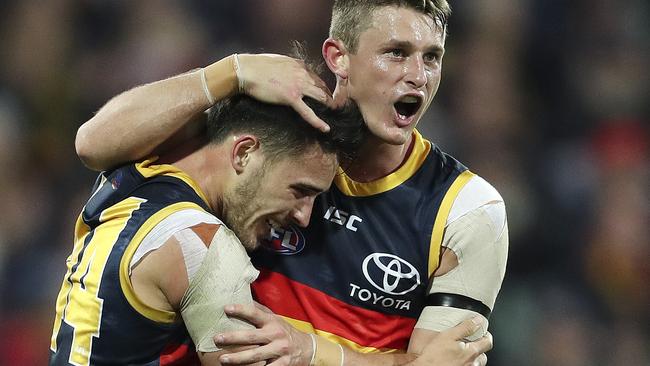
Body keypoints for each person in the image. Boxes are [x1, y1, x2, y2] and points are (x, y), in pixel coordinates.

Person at [74, 1, 506, 365]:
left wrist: (314, 352)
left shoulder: (466, 210)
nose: (418, 75)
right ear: (338, 56)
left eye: (432, 57)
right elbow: (94, 142)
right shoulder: (273, 126)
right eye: (396, 52)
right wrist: (228, 73)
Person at [49, 95, 368, 365]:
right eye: (300, 190)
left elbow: (95, 137)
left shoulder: (129, 173)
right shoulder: (205, 246)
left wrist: (227, 76)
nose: (304, 217)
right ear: (244, 153)